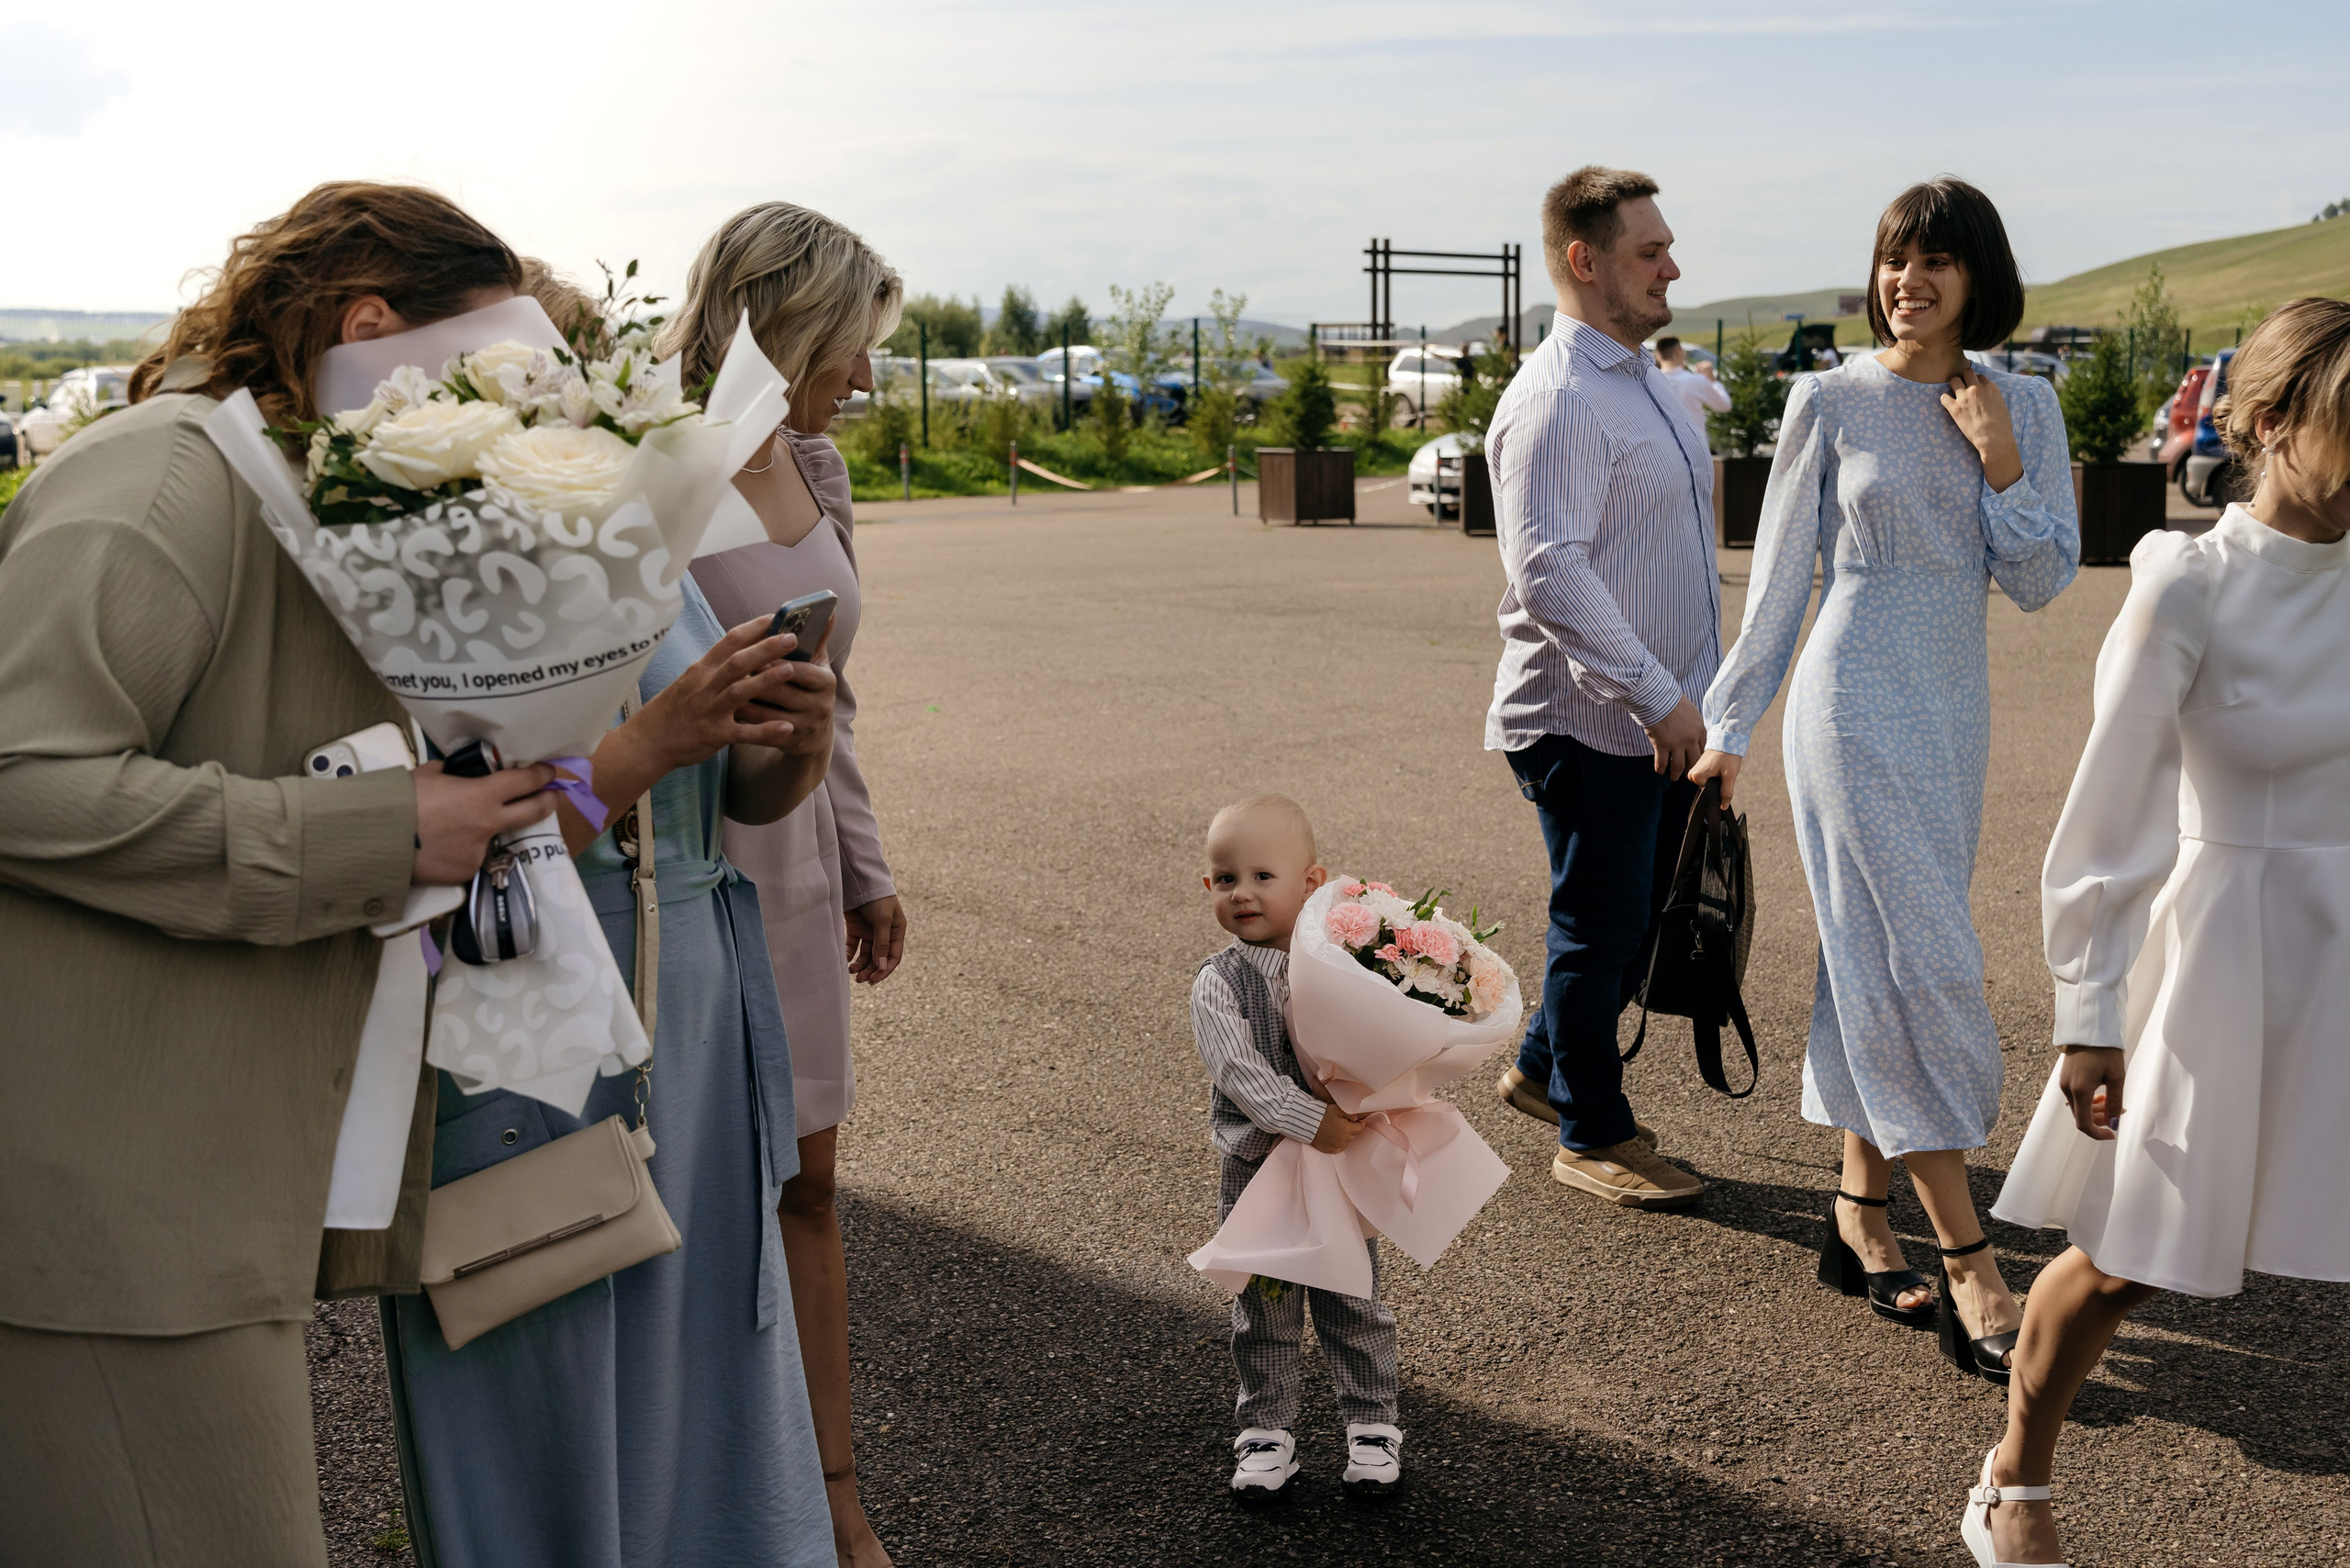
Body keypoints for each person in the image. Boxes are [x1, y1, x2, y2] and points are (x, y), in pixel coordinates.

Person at [0, 182, 562, 1566]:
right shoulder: (166, 477)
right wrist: (382, 833)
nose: (504, 416)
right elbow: (19, 775)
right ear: (367, 323)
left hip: (179, 1194)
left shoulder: (285, 485)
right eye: (490, 372)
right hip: (111, 1219)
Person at [1959, 298, 2350, 1567]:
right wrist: (2088, 1016)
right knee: (2132, 1254)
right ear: (2276, 422)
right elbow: (2108, 816)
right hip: (2226, 953)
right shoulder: (2189, 583)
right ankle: (2015, 1473)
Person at [1687, 178, 2078, 1375]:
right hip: (1847, 704)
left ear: (1979, 277)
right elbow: (1783, 581)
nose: (1909, 281)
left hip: (1953, 712)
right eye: (1894, 261)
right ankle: (1970, 1260)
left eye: (1936, 262)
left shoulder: (2027, 404)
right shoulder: (1828, 401)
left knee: (1877, 950)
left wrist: (2001, 458)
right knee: (1924, 959)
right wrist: (1729, 726)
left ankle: (1859, 1211)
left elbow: (2045, 578)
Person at [382, 560, 843, 1563]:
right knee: (551, 1356)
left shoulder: (649, 545)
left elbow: (738, 802)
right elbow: (449, 847)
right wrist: (648, 743)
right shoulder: (435, 559)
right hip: (534, 1005)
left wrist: (799, 740)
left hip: (696, 998)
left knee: (711, 1360)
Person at [663, 201, 906, 1568]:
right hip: (689, 866)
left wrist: (865, 863)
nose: (864, 380)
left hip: (802, 868)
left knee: (809, 1192)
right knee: (693, 1205)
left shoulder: (814, 461)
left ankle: (833, 1506)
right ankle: (700, 1506)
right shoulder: (647, 468)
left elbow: (838, 693)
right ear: (783, 320)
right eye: (852, 347)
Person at [1485, 164, 1720, 1210]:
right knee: (1598, 928)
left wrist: (1697, 704)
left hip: (1662, 718)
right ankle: (1590, 1133)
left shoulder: (1642, 383)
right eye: (1648, 250)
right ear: (1585, 261)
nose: (1671, 265)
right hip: (1590, 725)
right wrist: (1655, 697)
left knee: (1629, 923)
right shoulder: (1556, 400)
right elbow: (1550, 573)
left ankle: (1542, 1070)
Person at [1192, 795, 1402, 1501]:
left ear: (1312, 883)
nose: (1242, 892)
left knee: (1353, 1299)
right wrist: (1309, 1118)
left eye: (1262, 876)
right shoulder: (1218, 983)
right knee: (1267, 1305)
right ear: (1208, 888)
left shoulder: (1347, 962)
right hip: (1261, 1172)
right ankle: (1266, 1434)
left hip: (1340, 1170)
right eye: (1226, 879)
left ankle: (1373, 1426)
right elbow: (1240, 1071)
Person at [1654, 335, 1730, 426]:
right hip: (1695, 438)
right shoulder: (1695, 380)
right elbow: (1724, 405)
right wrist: (1712, 380)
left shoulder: (1653, 381)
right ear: (1678, 352)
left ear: (1658, 356)